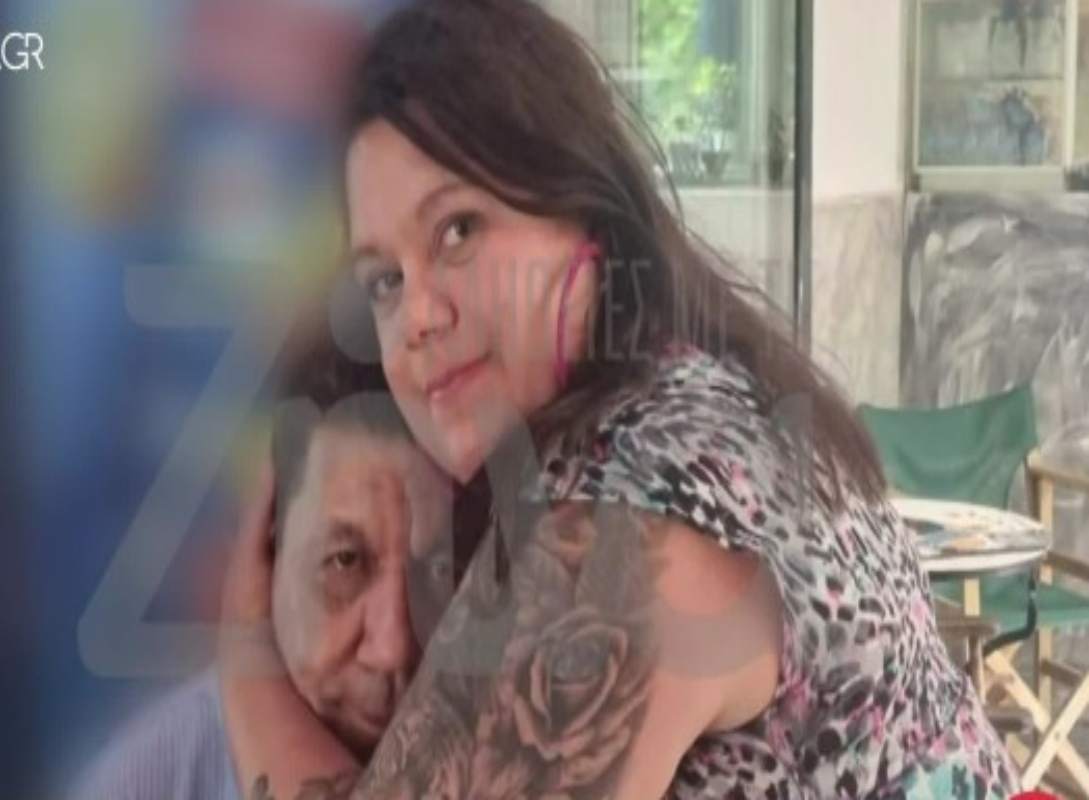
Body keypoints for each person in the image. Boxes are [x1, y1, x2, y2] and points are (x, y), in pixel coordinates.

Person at [220, 1, 1022, 799]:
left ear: (588, 215)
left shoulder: (632, 514)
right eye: (385, 281)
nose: (417, 318)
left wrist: (245, 659)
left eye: (458, 231)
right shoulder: (697, 399)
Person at [69, 330, 464, 800]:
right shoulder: (152, 784)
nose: (392, 648)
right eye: (344, 562)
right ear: (266, 551)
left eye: (439, 570)